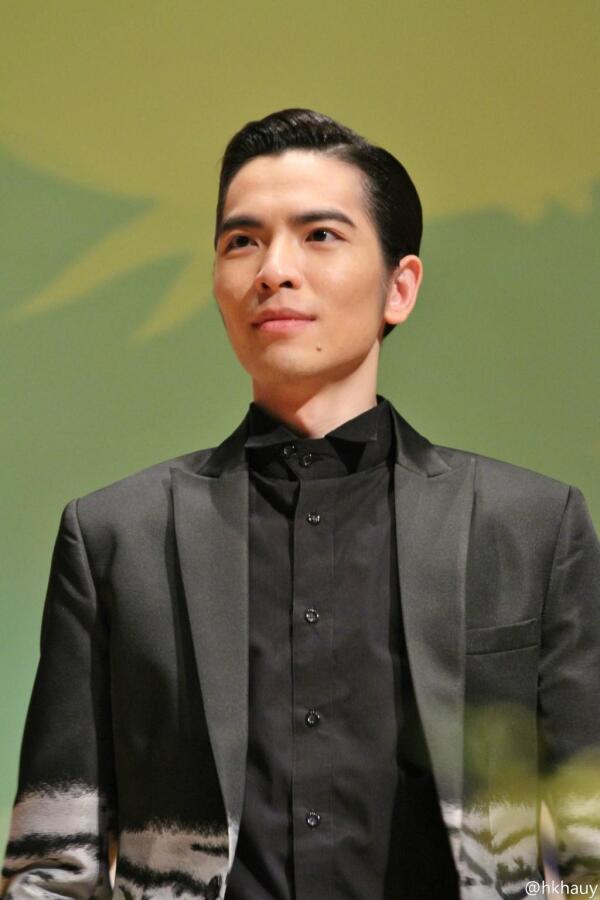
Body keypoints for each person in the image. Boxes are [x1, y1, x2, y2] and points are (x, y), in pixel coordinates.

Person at [2, 108, 599, 900]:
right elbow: (51, 861)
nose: (274, 270)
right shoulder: (116, 538)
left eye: (320, 235)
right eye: (241, 242)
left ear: (399, 287)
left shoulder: (530, 528)